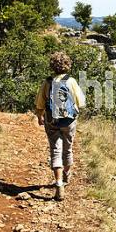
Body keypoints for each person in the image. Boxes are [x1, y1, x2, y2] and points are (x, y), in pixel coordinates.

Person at [35, 52, 86, 201]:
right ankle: (66, 176)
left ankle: (58, 183)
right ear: (67, 65)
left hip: (52, 121)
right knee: (68, 148)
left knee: (55, 150)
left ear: (52, 66)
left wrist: (40, 116)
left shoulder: (47, 82)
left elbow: (40, 103)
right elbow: (81, 102)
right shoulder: (71, 81)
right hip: (69, 121)